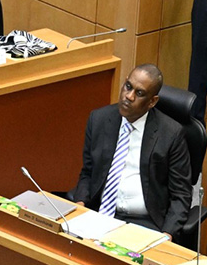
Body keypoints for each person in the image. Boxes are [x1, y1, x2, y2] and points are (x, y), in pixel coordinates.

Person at [69, 64, 192, 236]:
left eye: (139, 93)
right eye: (128, 87)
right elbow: (88, 173)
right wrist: (79, 206)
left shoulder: (171, 134)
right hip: (100, 213)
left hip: (145, 223)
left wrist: (167, 234)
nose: (129, 96)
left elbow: (181, 194)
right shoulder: (99, 119)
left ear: (152, 101)